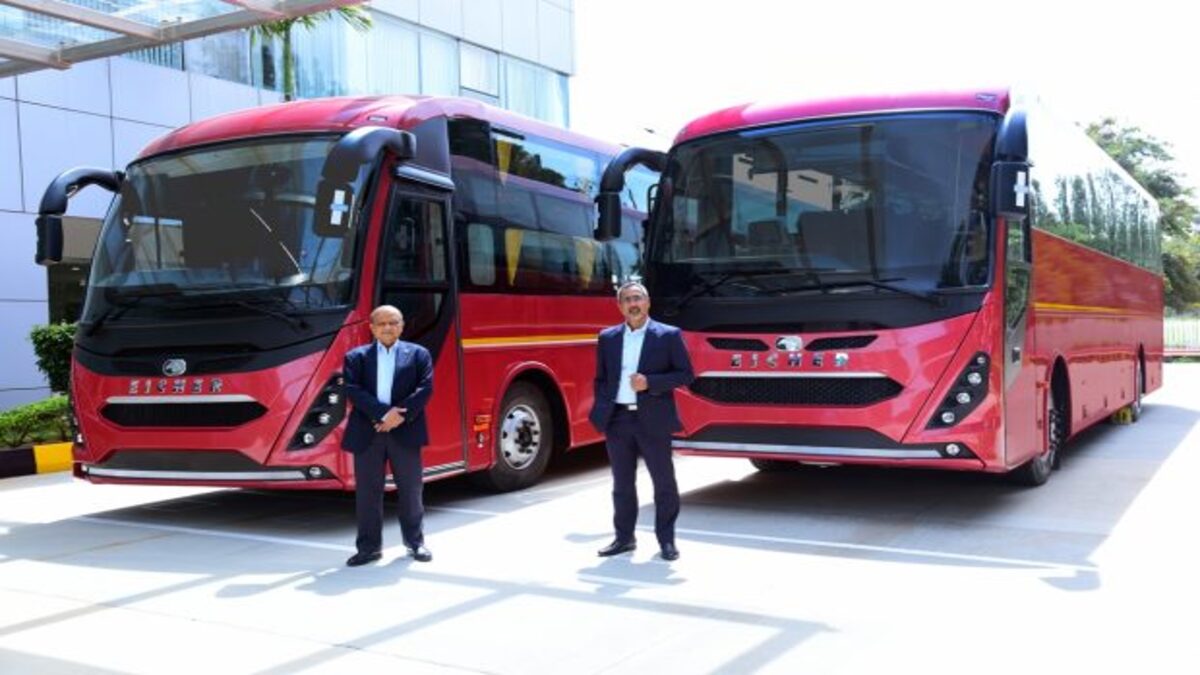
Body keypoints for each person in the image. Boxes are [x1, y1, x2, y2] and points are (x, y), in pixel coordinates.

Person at [589, 281, 695, 561]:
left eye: (637, 298)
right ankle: (624, 538)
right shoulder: (608, 337)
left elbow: (686, 374)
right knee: (622, 484)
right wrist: (603, 407)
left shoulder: (668, 335)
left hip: (653, 419)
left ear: (647, 303)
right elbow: (601, 378)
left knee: (664, 482)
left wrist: (650, 382)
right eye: (627, 300)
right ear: (619, 306)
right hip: (618, 419)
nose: (633, 304)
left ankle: (667, 541)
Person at [341, 305, 434, 566]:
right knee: (368, 493)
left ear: (402, 325)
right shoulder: (356, 357)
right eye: (381, 323)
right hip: (368, 432)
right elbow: (352, 389)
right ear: (372, 328)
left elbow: (425, 388)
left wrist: (398, 416)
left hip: (406, 430)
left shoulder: (418, 354)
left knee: (411, 490)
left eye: (393, 322)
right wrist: (383, 414)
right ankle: (369, 548)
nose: (387, 328)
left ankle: (415, 543)